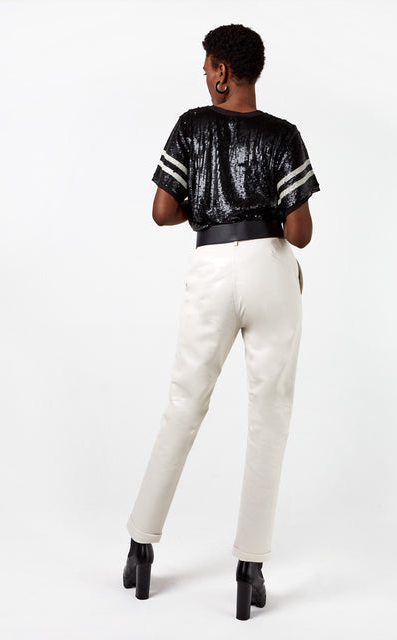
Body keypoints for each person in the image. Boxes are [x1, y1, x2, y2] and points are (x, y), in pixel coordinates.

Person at [122, 23, 320, 620]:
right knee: (270, 413)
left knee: (184, 404)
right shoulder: (283, 135)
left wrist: (206, 208)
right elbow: (300, 233)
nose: (205, 74)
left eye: (208, 65)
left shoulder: (192, 126)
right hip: (270, 268)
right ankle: (249, 567)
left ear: (224, 72)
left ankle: (141, 547)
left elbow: (162, 211)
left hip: (210, 265)